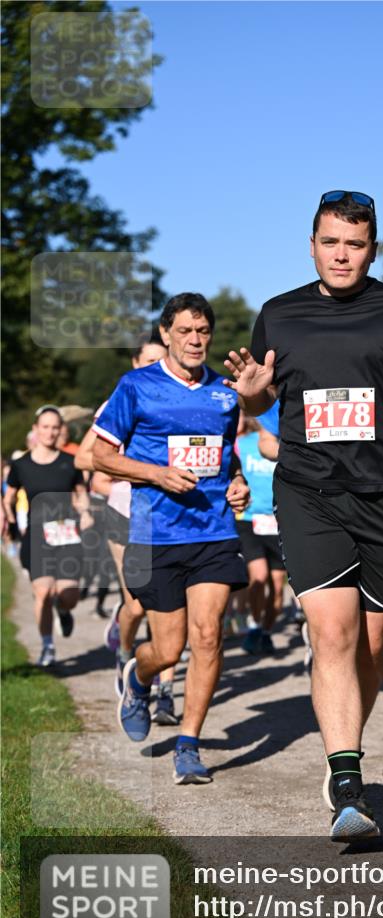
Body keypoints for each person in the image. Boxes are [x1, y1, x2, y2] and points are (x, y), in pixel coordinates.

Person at [224, 190, 383, 841]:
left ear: (371, 249)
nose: (341, 254)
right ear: (313, 244)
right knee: (332, 633)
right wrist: (255, 392)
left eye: (354, 244)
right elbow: (264, 389)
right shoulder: (279, 314)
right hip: (310, 495)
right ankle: (347, 782)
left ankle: (344, 735)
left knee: (370, 649)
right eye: (330, 242)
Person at [92, 293, 250, 784]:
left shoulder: (225, 393)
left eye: (202, 331)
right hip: (157, 533)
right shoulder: (136, 386)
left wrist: (238, 482)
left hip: (214, 530)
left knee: (209, 635)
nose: (196, 340)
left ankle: (188, 743)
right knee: (167, 648)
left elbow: (229, 456)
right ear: (166, 334)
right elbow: (100, 455)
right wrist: (157, 475)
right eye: (185, 331)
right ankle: (137, 679)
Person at [75, 335, 173, 718]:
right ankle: (125, 651)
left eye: (160, 361)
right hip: (125, 515)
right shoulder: (118, 401)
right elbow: (85, 458)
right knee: (136, 606)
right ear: (135, 364)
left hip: (168, 516)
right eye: (148, 361)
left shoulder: (177, 402)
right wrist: (130, 471)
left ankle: (165, 693)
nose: (155, 368)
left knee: (169, 605)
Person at [3, 406, 92, 666]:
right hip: (36, 537)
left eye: (55, 427)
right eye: (45, 427)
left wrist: (85, 513)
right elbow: (8, 497)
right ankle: (47, 647)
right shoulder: (21, 465)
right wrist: (8, 517)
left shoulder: (69, 462)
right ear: (36, 430)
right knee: (43, 593)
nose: (50, 432)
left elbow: (81, 494)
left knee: (68, 596)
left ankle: (64, 611)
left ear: (61, 431)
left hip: (66, 535)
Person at [235, 412, 286, 656]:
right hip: (250, 519)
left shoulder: (285, 443)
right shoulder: (242, 444)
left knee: (277, 587)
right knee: (259, 576)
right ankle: (254, 625)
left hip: (279, 521)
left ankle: (265, 632)